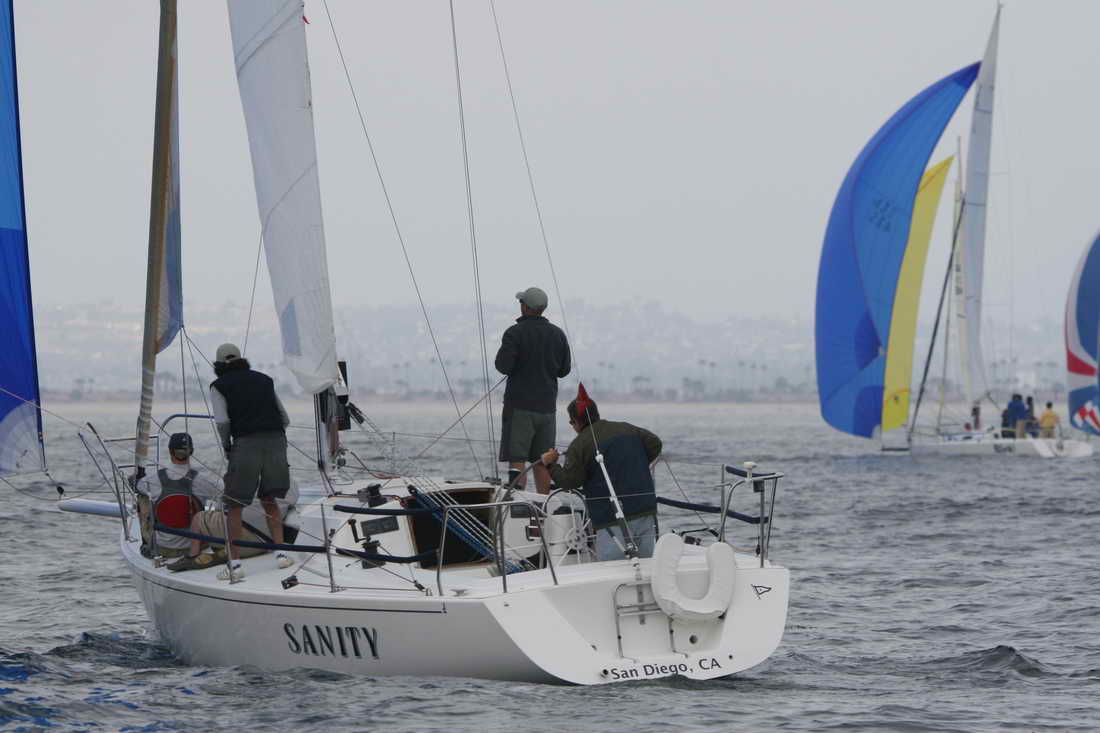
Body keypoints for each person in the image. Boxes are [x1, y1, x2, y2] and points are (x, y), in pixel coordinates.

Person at [540, 396, 662, 560]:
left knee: (614, 570)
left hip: (611, 520)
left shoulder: (579, 445)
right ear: (596, 414)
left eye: (571, 422)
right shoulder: (627, 428)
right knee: (646, 565)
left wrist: (550, 464)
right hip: (645, 510)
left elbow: (569, 481)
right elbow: (655, 443)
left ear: (576, 422)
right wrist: (635, 464)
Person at [209, 342, 292, 580]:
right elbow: (285, 418)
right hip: (276, 442)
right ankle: (281, 554)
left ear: (219, 364)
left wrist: (227, 446)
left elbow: (223, 422)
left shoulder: (218, 386)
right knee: (270, 499)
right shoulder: (265, 380)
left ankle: (235, 565)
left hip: (246, 445)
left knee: (234, 504)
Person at [494, 287, 571, 493]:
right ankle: (543, 504)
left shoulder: (514, 333)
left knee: (517, 458)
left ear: (526, 307)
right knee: (543, 460)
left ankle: (517, 502)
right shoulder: (558, 334)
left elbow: (503, 366)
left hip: (519, 408)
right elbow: (564, 370)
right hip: (547, 409)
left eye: (521, 302)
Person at [167, 479, 299, 574]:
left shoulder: (246, 477)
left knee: (199, 518)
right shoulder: (292, 485)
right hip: (264, 544)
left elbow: (223, 505)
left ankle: (193, 556)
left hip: (240, 536)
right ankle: (225, 551)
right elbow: (289, 502)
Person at [135, 432, 219, 558]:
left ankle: (146, 542)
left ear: (170, 451)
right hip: (196, 546)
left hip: (163, 548)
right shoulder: (203, 480)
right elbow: (224, 492)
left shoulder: (151, 480)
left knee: (143, 497)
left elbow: (138, 486)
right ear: (191, 452)